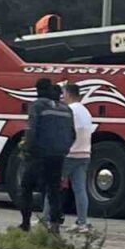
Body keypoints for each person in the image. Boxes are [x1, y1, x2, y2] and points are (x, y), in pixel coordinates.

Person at [17, 78, 74, 235]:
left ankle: (25, 224)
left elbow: (31, 130)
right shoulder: (66, 109)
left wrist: (27, 149)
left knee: (26, 187)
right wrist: (64, 150)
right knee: (53, 190)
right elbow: (72, 134)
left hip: (39, 154)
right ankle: (55, 226)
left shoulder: (37, 106)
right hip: (58, 155)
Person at [43, 82, 94, 234]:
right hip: (84, 153)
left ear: (68, 94)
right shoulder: (85, 111)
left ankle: (46, 218)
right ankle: (82, 222)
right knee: (80, 189)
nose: (61, 96)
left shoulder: (69, 110)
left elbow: (65, 131)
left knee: (53, 185)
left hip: (70, 154)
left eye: (63, 93)